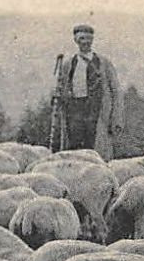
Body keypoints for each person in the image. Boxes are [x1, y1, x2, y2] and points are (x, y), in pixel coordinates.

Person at [50, 22, 123, 159]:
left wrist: (116, 119)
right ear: (76, 41)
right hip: (74, 111)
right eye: (82, 39)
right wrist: (58, 96)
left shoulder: (103, 63)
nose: (85, 43)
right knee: (74, 148)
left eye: (88, 39)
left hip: (96, 110)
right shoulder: (68, 64)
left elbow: (116, 91)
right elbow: (62, 88)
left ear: (92, 40)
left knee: (95, 149)